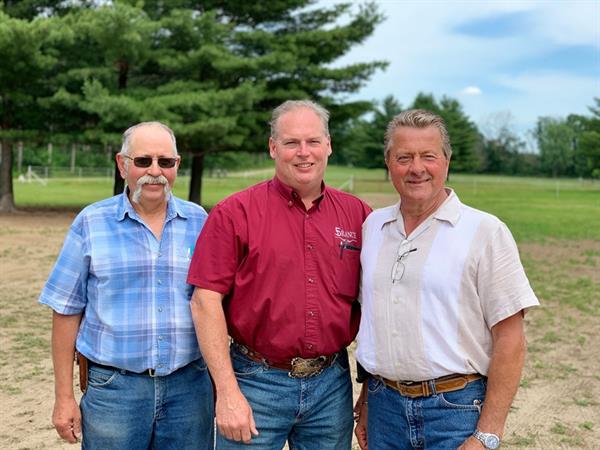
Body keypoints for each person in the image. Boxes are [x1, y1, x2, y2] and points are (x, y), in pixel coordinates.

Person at [187, 100, 371, 449]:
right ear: (273, 148)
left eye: (313, 141)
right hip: (255, 382)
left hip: (331, 384)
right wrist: (227, 392)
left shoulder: (358, 215)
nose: (304, 152)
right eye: (291, 143)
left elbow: (378, 302)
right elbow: (204, 302)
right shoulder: (234, 213)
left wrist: (371, 388)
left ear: (328, 145)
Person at [353, 109, 539, 450]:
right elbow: (378, 324)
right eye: (404, 157)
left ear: (447, 160)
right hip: (384, 410)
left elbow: (510, 338)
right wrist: (367, 396)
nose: (417, 168)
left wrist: (487, 433)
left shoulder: (485, 231)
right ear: (388, 163)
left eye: (429, 156)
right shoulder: (373, 228)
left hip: (454, 410)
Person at [39, 122, 214, 449]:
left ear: (177, 165)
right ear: (122, 165)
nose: (155, 171)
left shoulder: (200, 221)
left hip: (189, 390)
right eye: (143, 161)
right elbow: (65, 310)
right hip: (114, 391)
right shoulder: (91, 222)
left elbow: (217, 303)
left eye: (166, 162)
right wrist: (63, 397)